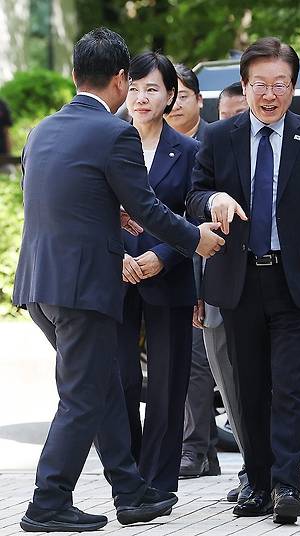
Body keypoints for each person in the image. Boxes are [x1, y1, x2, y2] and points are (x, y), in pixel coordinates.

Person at [12, 27, 223, 532]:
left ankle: (130, 492)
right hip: (84, 290)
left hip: (41, 285)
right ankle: (47, 503)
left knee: (103, 385)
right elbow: (148, 207)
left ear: (73, 75)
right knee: (83, 395)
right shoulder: (115, 132)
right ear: (120, 79)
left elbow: (65, 199)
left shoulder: (43, 129)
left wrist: (112, 216)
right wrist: (196, 239)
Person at [186, 37, 300, 525]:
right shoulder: (220, 136)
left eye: (280, 84)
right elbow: (192, 195)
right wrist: (212, 199)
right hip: (239, 281)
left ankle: (287, 485)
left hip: (294, 281)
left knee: (295, 388)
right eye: (260, 84)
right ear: (245, 85)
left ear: (293, 88)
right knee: (249, 387)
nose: (269, 94)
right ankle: (255, 482)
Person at [117, 51, 200, 493]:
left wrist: (163, 256)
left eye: (152, 89)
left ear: (170, 95)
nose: (141, 97)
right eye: (134, 88)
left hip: (169, 277)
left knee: (168, 384)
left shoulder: (189, 151)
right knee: (122, 380)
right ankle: (128, 475)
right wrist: (120, 257)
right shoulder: (110, 140)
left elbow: (192, 216)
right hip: (116, 275)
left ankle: (159, 480)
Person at [190, 81, 251, 499]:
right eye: (226, 116)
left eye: (240, 115)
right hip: (217, 286)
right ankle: (251, 465)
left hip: (269, 285)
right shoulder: (208, 151)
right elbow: (190, 212)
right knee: (227, 382)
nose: (234, 123)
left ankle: (266, 467)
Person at [165, 63, 221, 480]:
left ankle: (194, 448)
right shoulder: (148, 142)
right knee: (181, 361)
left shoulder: (213, 143)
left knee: (201, 362)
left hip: (206, 265)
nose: (174, 103)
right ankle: (202, 449)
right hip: (161, 265)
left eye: (183, 95)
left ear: (199, 100)